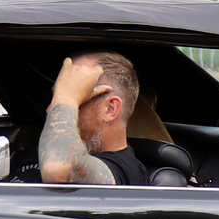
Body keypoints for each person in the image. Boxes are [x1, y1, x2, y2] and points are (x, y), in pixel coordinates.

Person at [39, 51, 150, 185]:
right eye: (57, 98)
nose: (52, 110)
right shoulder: (42, 148)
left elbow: (57, 169)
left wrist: (67, 98)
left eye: (77, 97)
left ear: (110, 109)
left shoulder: (124, 170)